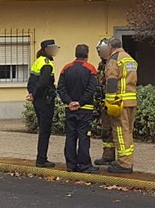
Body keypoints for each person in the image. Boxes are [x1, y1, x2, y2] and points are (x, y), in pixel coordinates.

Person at [57, 44, 98, 173]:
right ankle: (84, 164)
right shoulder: (91, 69)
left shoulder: (66, 68)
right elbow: (91, 89)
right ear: (87, 54)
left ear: (75, 54)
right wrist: (80, 102)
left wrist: (69, 102)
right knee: (84, 137)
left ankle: (71, 164)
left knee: (70, 136)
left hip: (70, 109)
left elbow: (61, 88)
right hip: (85, 109)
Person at [102, 38, 138, 174]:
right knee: (128, 132)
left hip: (119, 102)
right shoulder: (129, 59)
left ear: (110, 47)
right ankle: (127, 160)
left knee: (121, 133)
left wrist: (110, 102)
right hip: (131, 101)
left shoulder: (114, 60)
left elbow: (111, 81)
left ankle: (124, 164)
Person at [27, 39, 59, 168]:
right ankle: (41, 159)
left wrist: (31, 93)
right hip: (45, 100)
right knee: (45, 130)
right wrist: (34, 94)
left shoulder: (38, 61)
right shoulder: (47, 64)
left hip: (38, 100)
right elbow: (43, 82)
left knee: (43, 129)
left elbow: (31, 81)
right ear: (47, 49)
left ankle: (41, 158)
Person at [93, 39, 115, 167]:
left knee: (117, 131)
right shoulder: (102, 65)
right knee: (106, 130)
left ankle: (122, 159)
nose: (102, 53)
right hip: (104, 103)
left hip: (114, 103)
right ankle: (108, 156)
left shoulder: (113, 64)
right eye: (100, 51)